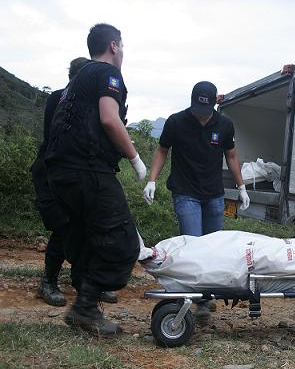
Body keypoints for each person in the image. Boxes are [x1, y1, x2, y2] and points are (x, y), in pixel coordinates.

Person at [45, 23, 146, 336]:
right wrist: (135, 159)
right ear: (114, 46)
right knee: (122, 242)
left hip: (60, 173)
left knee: (86, 237)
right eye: (123, 46)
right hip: (87, 169)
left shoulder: (78, 80)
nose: (123, 52)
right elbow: (108, 118)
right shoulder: (107, 74)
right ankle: (86, 308)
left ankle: (85, 308)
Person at [142, 81, 250, 322]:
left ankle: (205, 295)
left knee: (213, 248)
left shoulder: (224, 125)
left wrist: (241, 186)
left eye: (205, 110)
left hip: (214, 194)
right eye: (197, 109)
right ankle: (196, 299)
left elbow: (231, 155)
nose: (201, 115)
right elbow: (162, 149)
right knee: (192, 245)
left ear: (214, 104)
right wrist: (152, 180)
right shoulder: (176, 122)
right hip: (185, 192)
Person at [31, 57, 118, 307]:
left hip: (81, 172)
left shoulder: (92, 103)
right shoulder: (59, 98)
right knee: (63, 226)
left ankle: (87, 283)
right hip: (54, 171)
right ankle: (48, 282)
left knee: (89, 227)